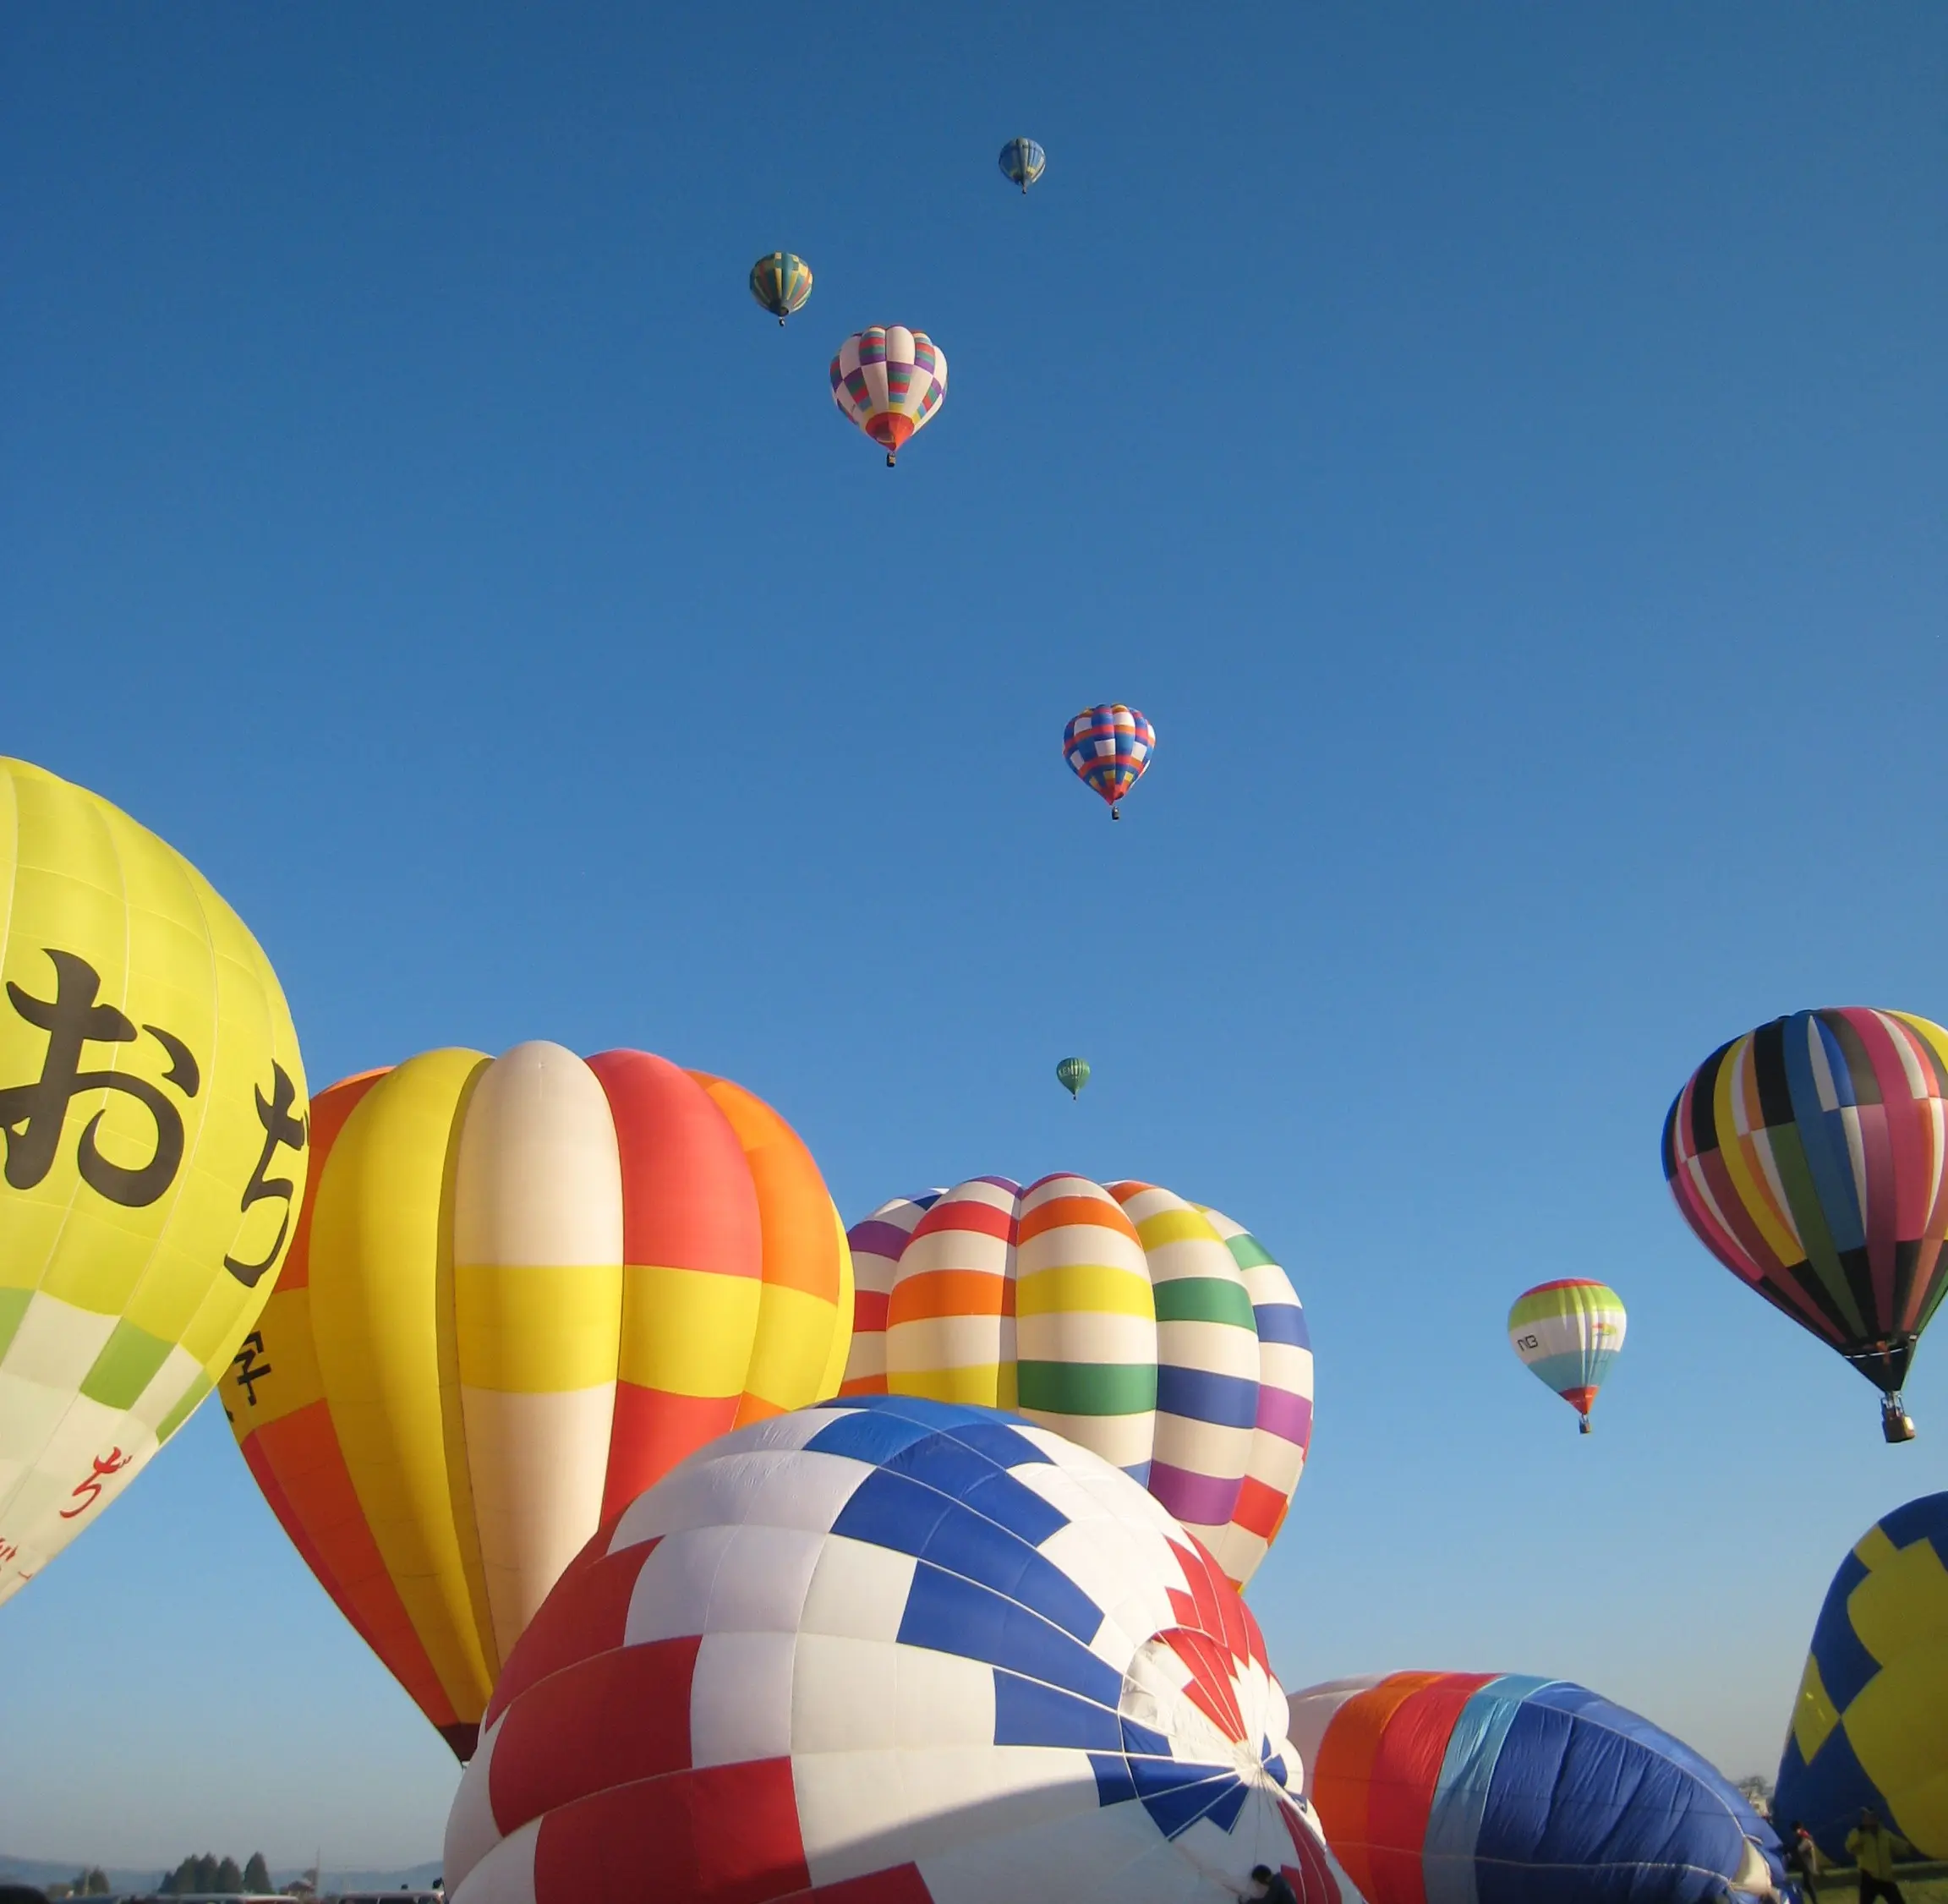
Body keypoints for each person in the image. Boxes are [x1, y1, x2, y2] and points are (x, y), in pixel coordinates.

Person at [1845, 1807, 1911, 1904]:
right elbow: (1849, 1847)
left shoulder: (1885, 1834)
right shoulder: (1859, 1834)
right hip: (1869, 1878)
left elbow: (1898, 1845)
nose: (1870, 1819)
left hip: (1886, 1878)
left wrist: (1910, 1848)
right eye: (1867, 1817)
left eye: (1872, 1816)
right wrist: (1859, 1833)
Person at [1786, 1820, 1819, 1900]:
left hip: (1808, 1866)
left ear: (1800, 1829)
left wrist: (1788, 1850)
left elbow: (1798, 1849)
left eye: (1795, 1830)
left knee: (1808, 1886)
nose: (1794, 1833)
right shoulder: (1801, 1838)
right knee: (1806, 1886)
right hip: (1806, 1866)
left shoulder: (1805, 1839)